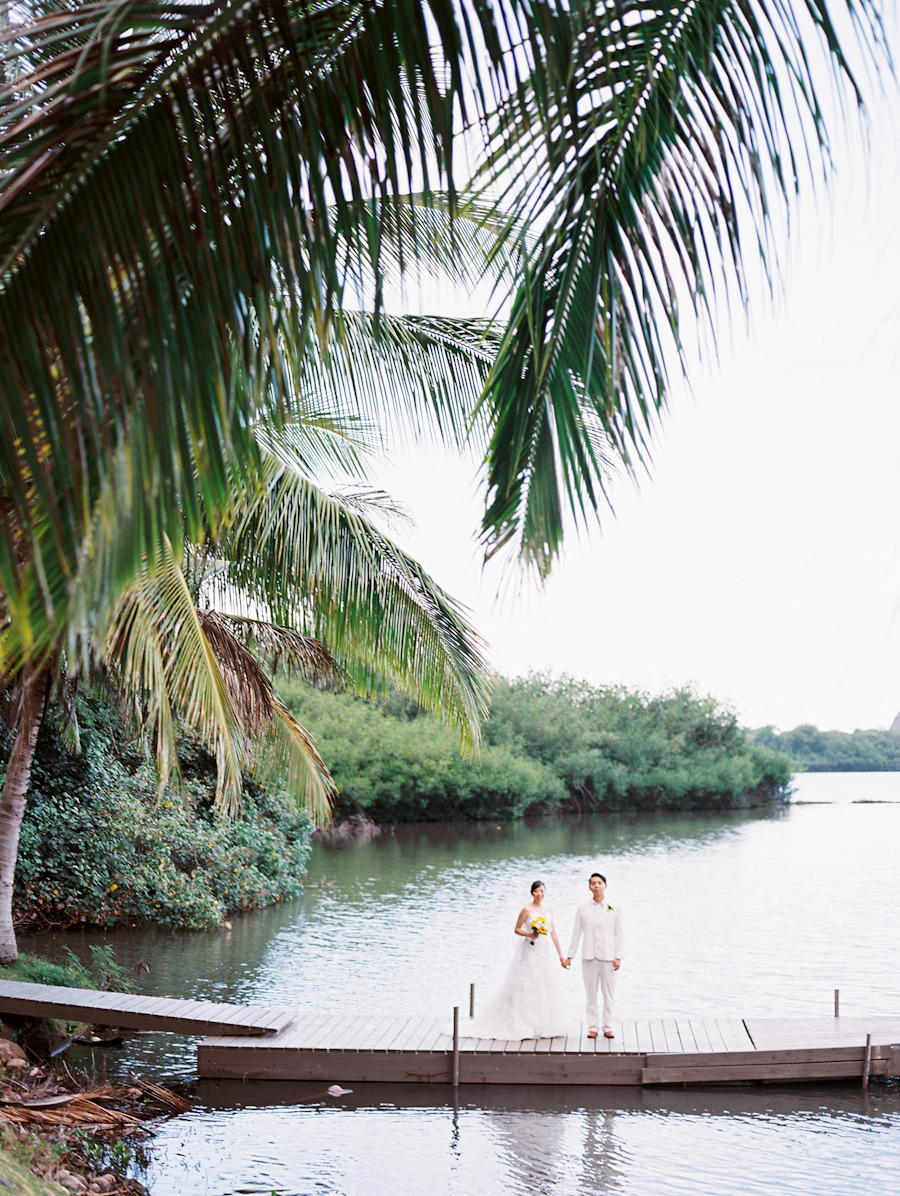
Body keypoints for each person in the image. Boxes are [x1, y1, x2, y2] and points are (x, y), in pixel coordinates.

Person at [460, 880, 569, 1041]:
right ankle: (523, 1023)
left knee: (544, 983)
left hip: (544, 950)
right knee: (526, 982)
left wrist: (561, 955)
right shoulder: (527, 909)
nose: (539, 894)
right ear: (532, 893)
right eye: (537, 891)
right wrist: (530, 934)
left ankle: (544, 1025)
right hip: (530, 949)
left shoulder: (548, 910)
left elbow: (553, 933)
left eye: (542, 891)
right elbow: (517, 929)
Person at [566, 872, 623, 1039]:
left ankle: (608, 1026)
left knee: (609, 994)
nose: (596, 886)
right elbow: (576, 933)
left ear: (605, 885)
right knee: (590, 994)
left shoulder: (615, 907)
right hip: (589, 956)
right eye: (593, 883)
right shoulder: (582, 908)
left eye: (599, 883)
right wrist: (570, 955)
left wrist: (618, 956)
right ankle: (592, 1026)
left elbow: (619, 933)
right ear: (589, 887)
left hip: (608, 956)